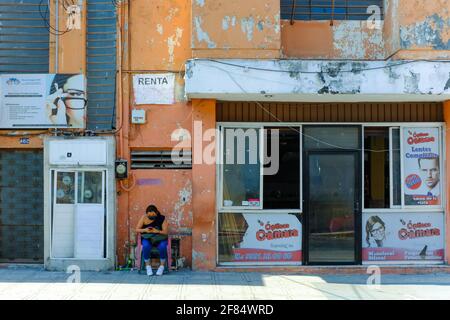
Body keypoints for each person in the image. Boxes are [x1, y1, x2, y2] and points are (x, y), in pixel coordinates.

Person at [136, 205, 169, 276]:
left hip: (160, 238)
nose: (151, 216)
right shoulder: (144, 218)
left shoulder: (161, 218)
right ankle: (148, 266)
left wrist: (156, 231)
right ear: (147, 214)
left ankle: (162, 266)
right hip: (147, 237)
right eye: (149, 215)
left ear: (156, 213)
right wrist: (145, 230)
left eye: (153, 215)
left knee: (163, 246)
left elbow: (165, 232)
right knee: (146, 246)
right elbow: (137, 229)